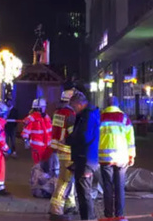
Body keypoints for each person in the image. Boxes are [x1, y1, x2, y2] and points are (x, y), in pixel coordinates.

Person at [99, 96, 135, 219]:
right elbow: (130, 139)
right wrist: (131, 155)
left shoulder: (100, 117)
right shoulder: (124, 118)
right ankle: (119, 215)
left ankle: (108, 215)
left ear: (106, 105)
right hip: (121, 157)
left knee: (107, 187)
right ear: (118, 105)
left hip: (105, 158)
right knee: (119, 187)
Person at [67, 91, 100, 221]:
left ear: (80, 104)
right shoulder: (86, 115)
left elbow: (84, 136)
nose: (73, 110)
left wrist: (70, 139)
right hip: (84, 158)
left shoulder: (87, 116)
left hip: (85, 159)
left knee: (84, 192)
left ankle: (89, 218)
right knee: (82, 192)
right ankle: (86, 217)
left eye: (74, 107)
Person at [49, 89, 78, 219]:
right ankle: (56, 208)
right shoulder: (71, 114)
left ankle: (69, 204)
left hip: (60, 150)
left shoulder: (58, 112)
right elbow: (73, 134)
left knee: (67, 178)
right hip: (68, 150)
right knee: (65, 180)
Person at [22, 98, 53, 164]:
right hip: (37, 147)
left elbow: (50, 130)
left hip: (47, 146)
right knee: (39, 166)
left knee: (46, 166)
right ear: (40, 108)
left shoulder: (46, 117)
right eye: (44, 107)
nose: (45, 108)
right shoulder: (31, 118)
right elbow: (25, 132)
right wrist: (26, 141)